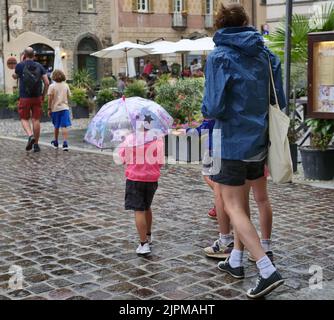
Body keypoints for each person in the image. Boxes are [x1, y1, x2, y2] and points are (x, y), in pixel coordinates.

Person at [202, 3, 286, 299]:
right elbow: (281, 99)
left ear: (221, 25)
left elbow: (212, 107)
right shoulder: (265, 54)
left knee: (232, 205)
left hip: (231, 141)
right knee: (244, 201)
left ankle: (266, 269)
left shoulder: (219, 56)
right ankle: (236, 260)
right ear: (246, 23)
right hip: (258, 141)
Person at [118, 120, 164, 255]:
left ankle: (143, 244)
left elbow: (122, 159)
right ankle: (148, 236)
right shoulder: (158, 138)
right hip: (151, 179)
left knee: (139, 210)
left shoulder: (130, 138)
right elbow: (160, 162)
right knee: (147, 207)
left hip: (135, 179)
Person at [13, 47, 49, 152]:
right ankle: (36, 145)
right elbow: (47, 82)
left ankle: (30, 135)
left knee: (24, 118)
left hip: (25, 97)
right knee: (36, 120)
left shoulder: (20, 65)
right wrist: (43, 95)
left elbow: (15, 76)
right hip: (37, 97)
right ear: (34, 55)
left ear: (24, 54)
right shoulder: (39, 66)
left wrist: (20, 60)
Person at [47, 69, 72, 151]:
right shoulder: (66, 85)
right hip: (65, 108)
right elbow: (69, 96)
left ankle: (56, 142)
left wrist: (49, 108)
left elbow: (50, 98)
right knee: (64, 126)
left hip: (55, 109)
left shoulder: (52, 86)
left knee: (56, 126)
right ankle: (65, 143)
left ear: (53, 77)